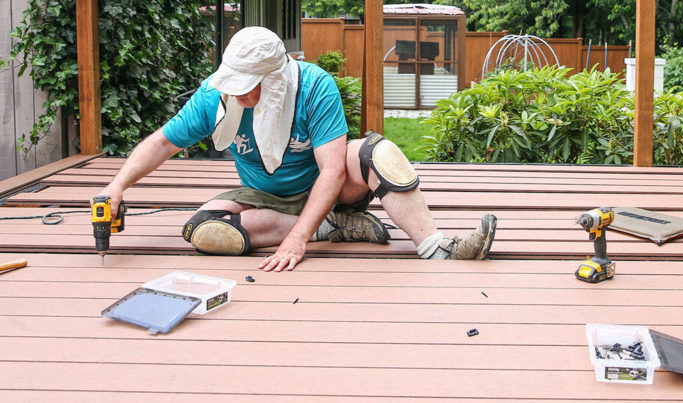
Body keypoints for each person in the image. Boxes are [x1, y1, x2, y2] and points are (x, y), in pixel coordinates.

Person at [95, 26, 497, 271]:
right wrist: (117, 187)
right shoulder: (215, 95)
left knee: (379, 151)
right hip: (264, 198)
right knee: (205, 232)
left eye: (247, 84)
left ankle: (439, 247)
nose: (237, 92)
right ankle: (335, 226)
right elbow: (164, 141)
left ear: (273, 79)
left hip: (328, 188)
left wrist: (298, 239)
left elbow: (333, 170)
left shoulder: (313, 85)